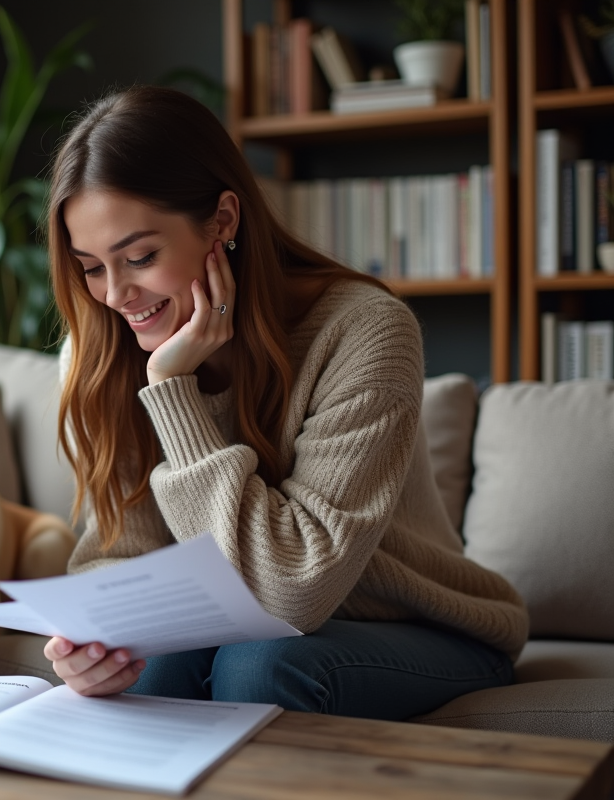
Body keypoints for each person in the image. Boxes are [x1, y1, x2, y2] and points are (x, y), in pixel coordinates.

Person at [42, 85, 527, 720]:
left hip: (421, 623)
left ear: (223, 220)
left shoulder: (365, 331)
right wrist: (92, 643)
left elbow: (290, 593)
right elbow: (120, 553)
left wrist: (172, 393)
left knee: (261, 666)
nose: (115, 295)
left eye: (139, 257)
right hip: (249, 625)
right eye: (91, 266)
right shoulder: (100, 351)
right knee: (148, 666)